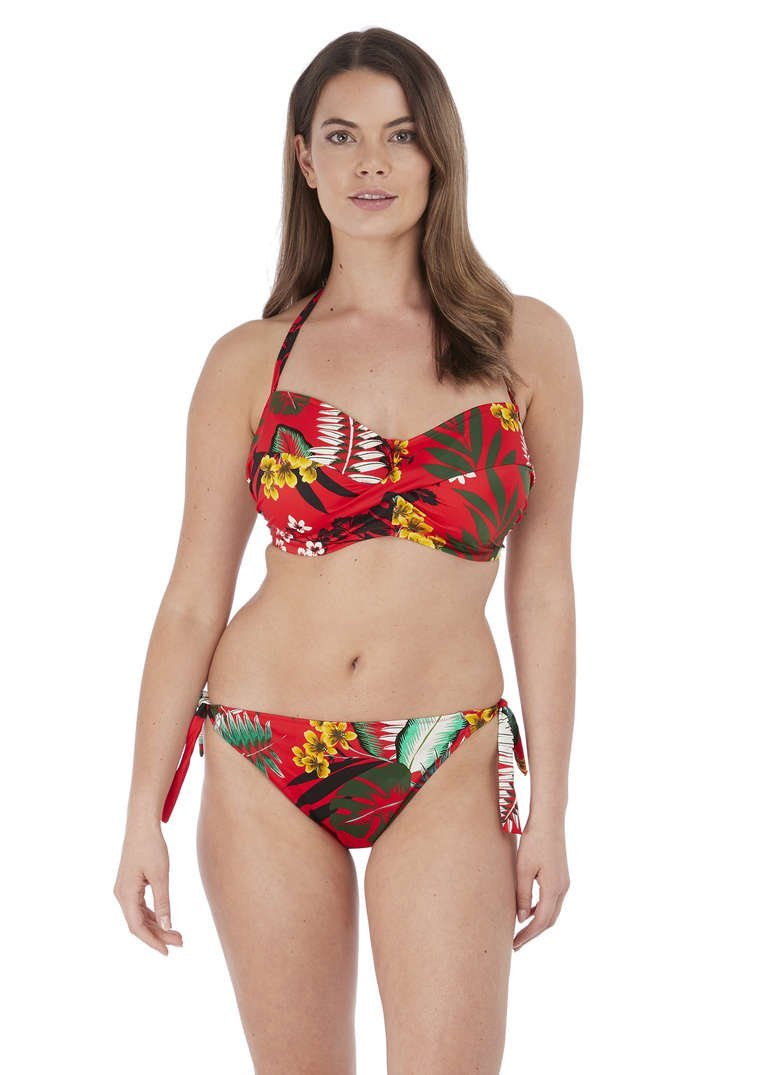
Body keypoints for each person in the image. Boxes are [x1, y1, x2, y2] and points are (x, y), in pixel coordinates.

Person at [114, 26, 581, 1075]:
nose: (373, 162)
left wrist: (550, 808)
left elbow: (544, 586)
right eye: (342, 135)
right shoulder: (251, 359)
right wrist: (143, 811)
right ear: (304, 159)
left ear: (438, 153)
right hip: (263, 750)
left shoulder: (528, 343)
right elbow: (192, 598)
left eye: (401, 135)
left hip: (447, 750)